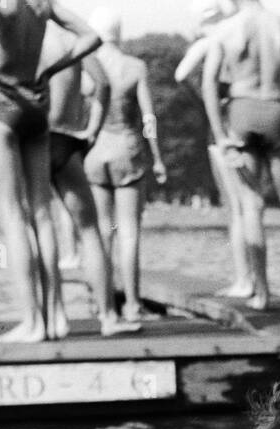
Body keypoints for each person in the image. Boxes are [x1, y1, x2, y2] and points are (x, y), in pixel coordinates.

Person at [0, 0, 103, 343]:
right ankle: (57, 317)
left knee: (14, 217)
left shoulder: (1, 5)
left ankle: (31, 322)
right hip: (35, 105)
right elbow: (91, 38)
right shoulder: (43, 5)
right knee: (42, 214)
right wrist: (50, 70)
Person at [202, 0, 280, 311]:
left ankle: (261, 292)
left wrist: (222, 135)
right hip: (277, 112)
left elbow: (208, 84)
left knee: (251, 206)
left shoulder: (226, 29)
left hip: (241, 111)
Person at [40, 23, 137, 335]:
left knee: (41, 225)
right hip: (69, 138)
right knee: (90, 231)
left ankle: (56, 318)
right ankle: (109, 317)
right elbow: (103, 84)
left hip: (37, 140)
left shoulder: (23, 35)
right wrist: (91, 132)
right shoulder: (71, 38)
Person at [83, 7, 167, 323]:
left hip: (94, 153)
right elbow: (148, 119)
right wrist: (157, 157)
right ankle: (132, 304)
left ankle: (101, 304)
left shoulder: (86, 66)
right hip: (127, 151)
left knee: (102, 232)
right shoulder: (134, 67)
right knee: (128, 232)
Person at [175, 0, 252, 298]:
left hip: (221, 128)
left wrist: (206, 98)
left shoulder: (211, 40)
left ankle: (243, 280)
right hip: (248, 116)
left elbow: (181, 74)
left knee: (235, 209)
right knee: (251, 206)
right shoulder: (241, 34)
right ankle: (255, 281)